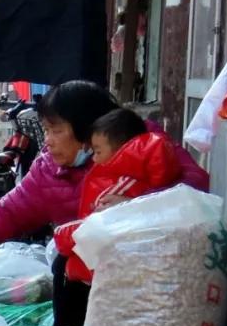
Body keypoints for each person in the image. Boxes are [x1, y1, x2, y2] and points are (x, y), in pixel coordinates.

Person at [0, 80, 209, 326]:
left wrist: (138, 206)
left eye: (56, 131)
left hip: (152, 289)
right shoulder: (48, 171)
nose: (48, 141)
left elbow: (197, 189)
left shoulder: (142, 144)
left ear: (87, 130)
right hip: (87, 291)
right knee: (64, 265)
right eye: (46, 130)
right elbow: (1, 214)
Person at [52, 108, 181, 285]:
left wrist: (61, 235)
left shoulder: (123, 185)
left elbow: (93, 225)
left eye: (97, 151)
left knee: (60, 267)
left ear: (124, 150)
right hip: (112, 267)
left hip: (104, 272)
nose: (94, 160)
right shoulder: (139, 177)